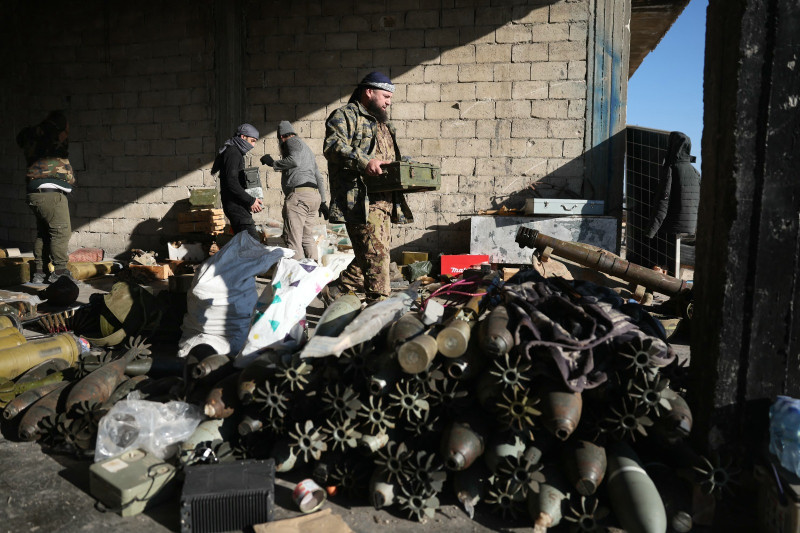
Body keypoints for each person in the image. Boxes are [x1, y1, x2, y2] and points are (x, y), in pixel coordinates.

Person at [322, 71, 414, 304]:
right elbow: (333, 146)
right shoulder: (344, 115)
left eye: (390, 98)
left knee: (373, 254)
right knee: (377, 256)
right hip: (360, 201)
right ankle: (377, 309)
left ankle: (336, 290)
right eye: (385, 96)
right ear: (368, 92)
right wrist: (365, 162)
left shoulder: (384, 123)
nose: (388, 101)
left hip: (385, 201)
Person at [16, 110, 77, 284]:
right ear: (59, 128)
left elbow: (22, 138)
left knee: (43, 234)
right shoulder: (52, 137)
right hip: (51, 193)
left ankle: (39, 273)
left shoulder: (36, 138)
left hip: (34, 192)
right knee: (61, 233)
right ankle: (60, 272)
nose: (67, 135)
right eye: (66, 130)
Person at [261, 121, 329, 261]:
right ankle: (313, 273)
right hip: (313, 196)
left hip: (299, 197)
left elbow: (295, 161)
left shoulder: (291, 142)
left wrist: (273, 163)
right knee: (307, 238)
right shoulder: (307, 151)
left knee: (293, 239)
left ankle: (297, 277)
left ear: (281, 137)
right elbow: (319, 177)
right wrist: (323, 202)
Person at [644, 131, 701, 272]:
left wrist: (650, 231)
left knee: (658, 255)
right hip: (690, 228)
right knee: (676, 263)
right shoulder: (695, 172)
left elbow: (663, 203)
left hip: (672, 226)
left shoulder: (671, 169)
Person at [211, 123, 263, 241]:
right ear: (243, 137)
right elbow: (232, 182)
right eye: (252, 140)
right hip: (235, 206)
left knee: (244, 245)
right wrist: (251, 200)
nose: (253, 145)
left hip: (237, 205)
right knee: (253, 245)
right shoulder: (233, 153)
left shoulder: (234, 152)